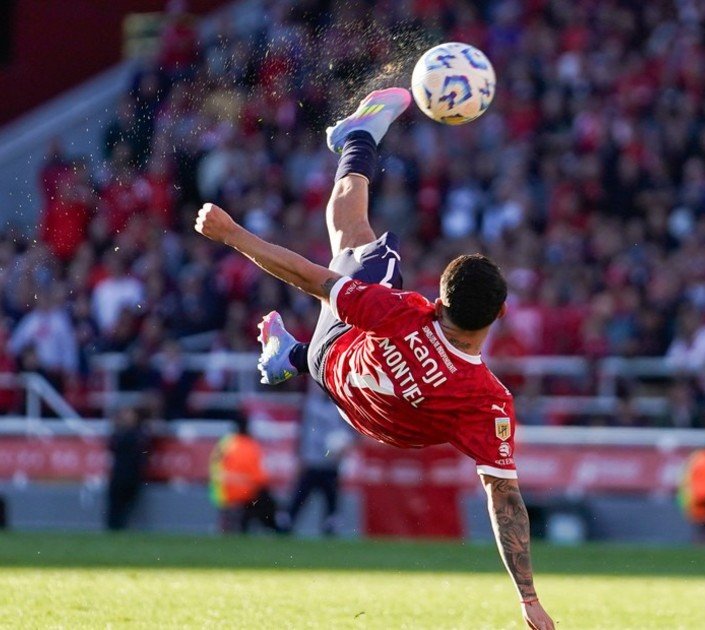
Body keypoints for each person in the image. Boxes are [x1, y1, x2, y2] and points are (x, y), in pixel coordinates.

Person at [193, 88, 554, 630]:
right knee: (354, 247)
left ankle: (356, 138)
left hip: (333, 358)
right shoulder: (488, 402)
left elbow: (308, 278)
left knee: (359, 242)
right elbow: (505, 501)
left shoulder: (405, 311)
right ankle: (286, 352)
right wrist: (528, 599)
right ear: (500, 312)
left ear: (440, 297)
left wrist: (231, 234)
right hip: (361, 412)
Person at [281, 383, 353, 536]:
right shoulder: (310, 404)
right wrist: (299, 455)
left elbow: (350, 433)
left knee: (331, 499)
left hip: (330, 462)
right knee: (300, 496)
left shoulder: (340, 406)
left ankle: (330, 525)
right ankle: (287, 522)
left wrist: (345, 444)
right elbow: (302, 432)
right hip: (312, 460)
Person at [210, 416, 281, 534]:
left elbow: (213, 468)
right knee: (265, 499)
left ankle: (229, 524)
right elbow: (261, 478)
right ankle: (273, 528)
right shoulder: (251, 446)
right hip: (243, 495)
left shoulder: (223, 444)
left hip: (221, 494)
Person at [106, 407, 151, 531]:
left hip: (133, 474)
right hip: (119, 473)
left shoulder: (139, 433)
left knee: (127, 505)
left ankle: (120, 527)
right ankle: (113, 528)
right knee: (115, 505)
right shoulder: (119, 433)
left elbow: (143, 451)